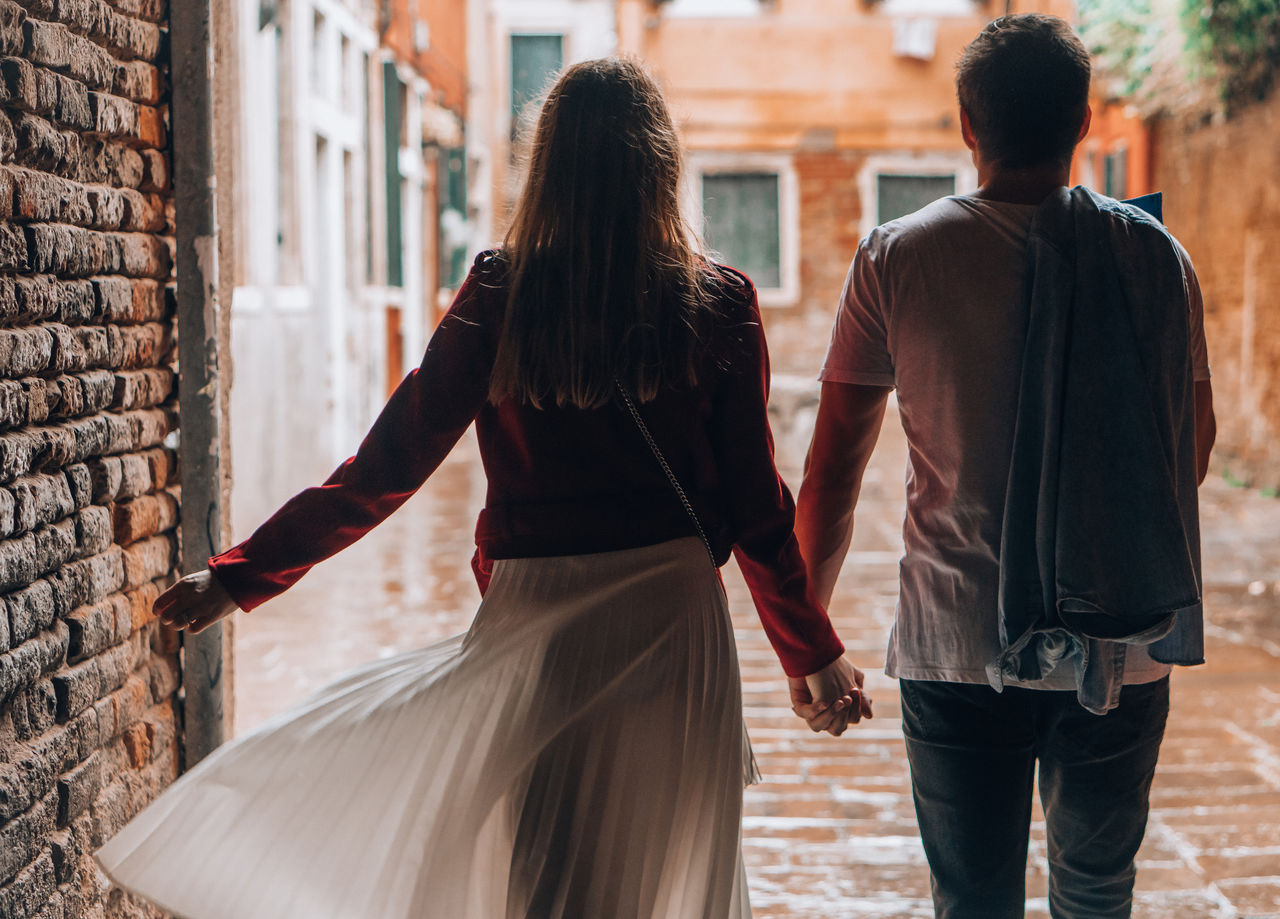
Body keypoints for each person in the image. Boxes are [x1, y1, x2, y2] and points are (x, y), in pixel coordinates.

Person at [95, 57, 872, 919]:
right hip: (672, 628)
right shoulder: (719, 301)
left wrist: (243, 575)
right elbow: (756, 505)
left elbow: (385, 468)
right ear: (661, 166)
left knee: (546, 880)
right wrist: (812, 653)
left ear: (547, 165)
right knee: (662, 884)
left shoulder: (503, 293)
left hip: (537, 631)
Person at [794, 14, 1215, 919]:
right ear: (1084, 121)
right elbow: (1193, 451)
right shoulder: (1158, 260)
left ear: (966, 123)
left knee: (973, 902)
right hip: (1125, 637)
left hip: (958, 644)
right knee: (1098, 893)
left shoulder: (896, 258)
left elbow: (832, 475)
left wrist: (810, 636)